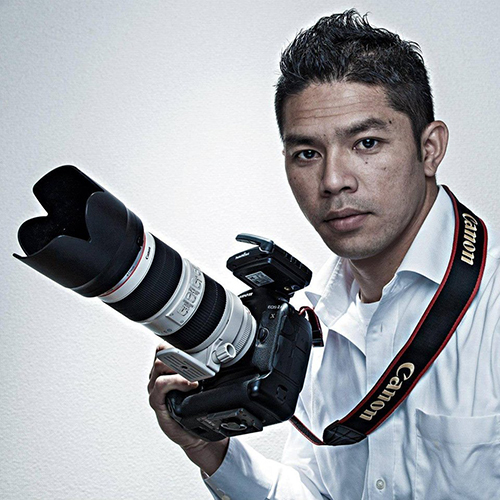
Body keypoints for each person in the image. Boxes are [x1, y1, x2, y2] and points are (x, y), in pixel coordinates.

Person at [148, 10, 500, 499]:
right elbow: (318, 491)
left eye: (366, 143)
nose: (333, 180)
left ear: (430, 148)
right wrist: (212, 451)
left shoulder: (491, 303)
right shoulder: (312, 321)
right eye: (307, 154)